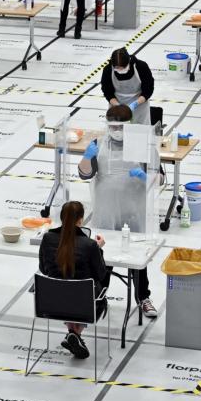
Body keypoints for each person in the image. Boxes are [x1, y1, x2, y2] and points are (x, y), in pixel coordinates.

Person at [78, 104, 158, 319]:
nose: (116, 131)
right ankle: (97, 297)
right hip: (106, 210)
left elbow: (160, 180)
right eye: (112, 126)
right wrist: (87, 158)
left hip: (133, 209)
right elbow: (85, 175)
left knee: (138, 255)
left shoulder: (144, 145)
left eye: (120, 127)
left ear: (130, 125)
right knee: (100, 255)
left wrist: (144, 176)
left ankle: (143, 297)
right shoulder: (98, 144)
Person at [40, 201, 110, 359]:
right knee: (90, 290)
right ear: (80, 220)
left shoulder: (47, 238)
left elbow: (44, 269)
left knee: (69, 292)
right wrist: (99, 249)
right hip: (84, 305)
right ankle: (75, 333)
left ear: (62, 218)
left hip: (52, 303)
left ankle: (73, 334)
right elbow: (101, 275)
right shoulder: (90, 245)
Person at [100, 47, 154, 125]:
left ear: (128, 62)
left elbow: (148, 90)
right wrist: (118, 106)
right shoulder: (108, 70)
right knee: (117, 131)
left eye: (123, 68)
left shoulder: (141, 67)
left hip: (139, 105)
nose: (120, 70)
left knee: (139, 131)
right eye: (117, 68)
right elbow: (107, 91)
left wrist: (135, 104)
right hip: (116, 107)